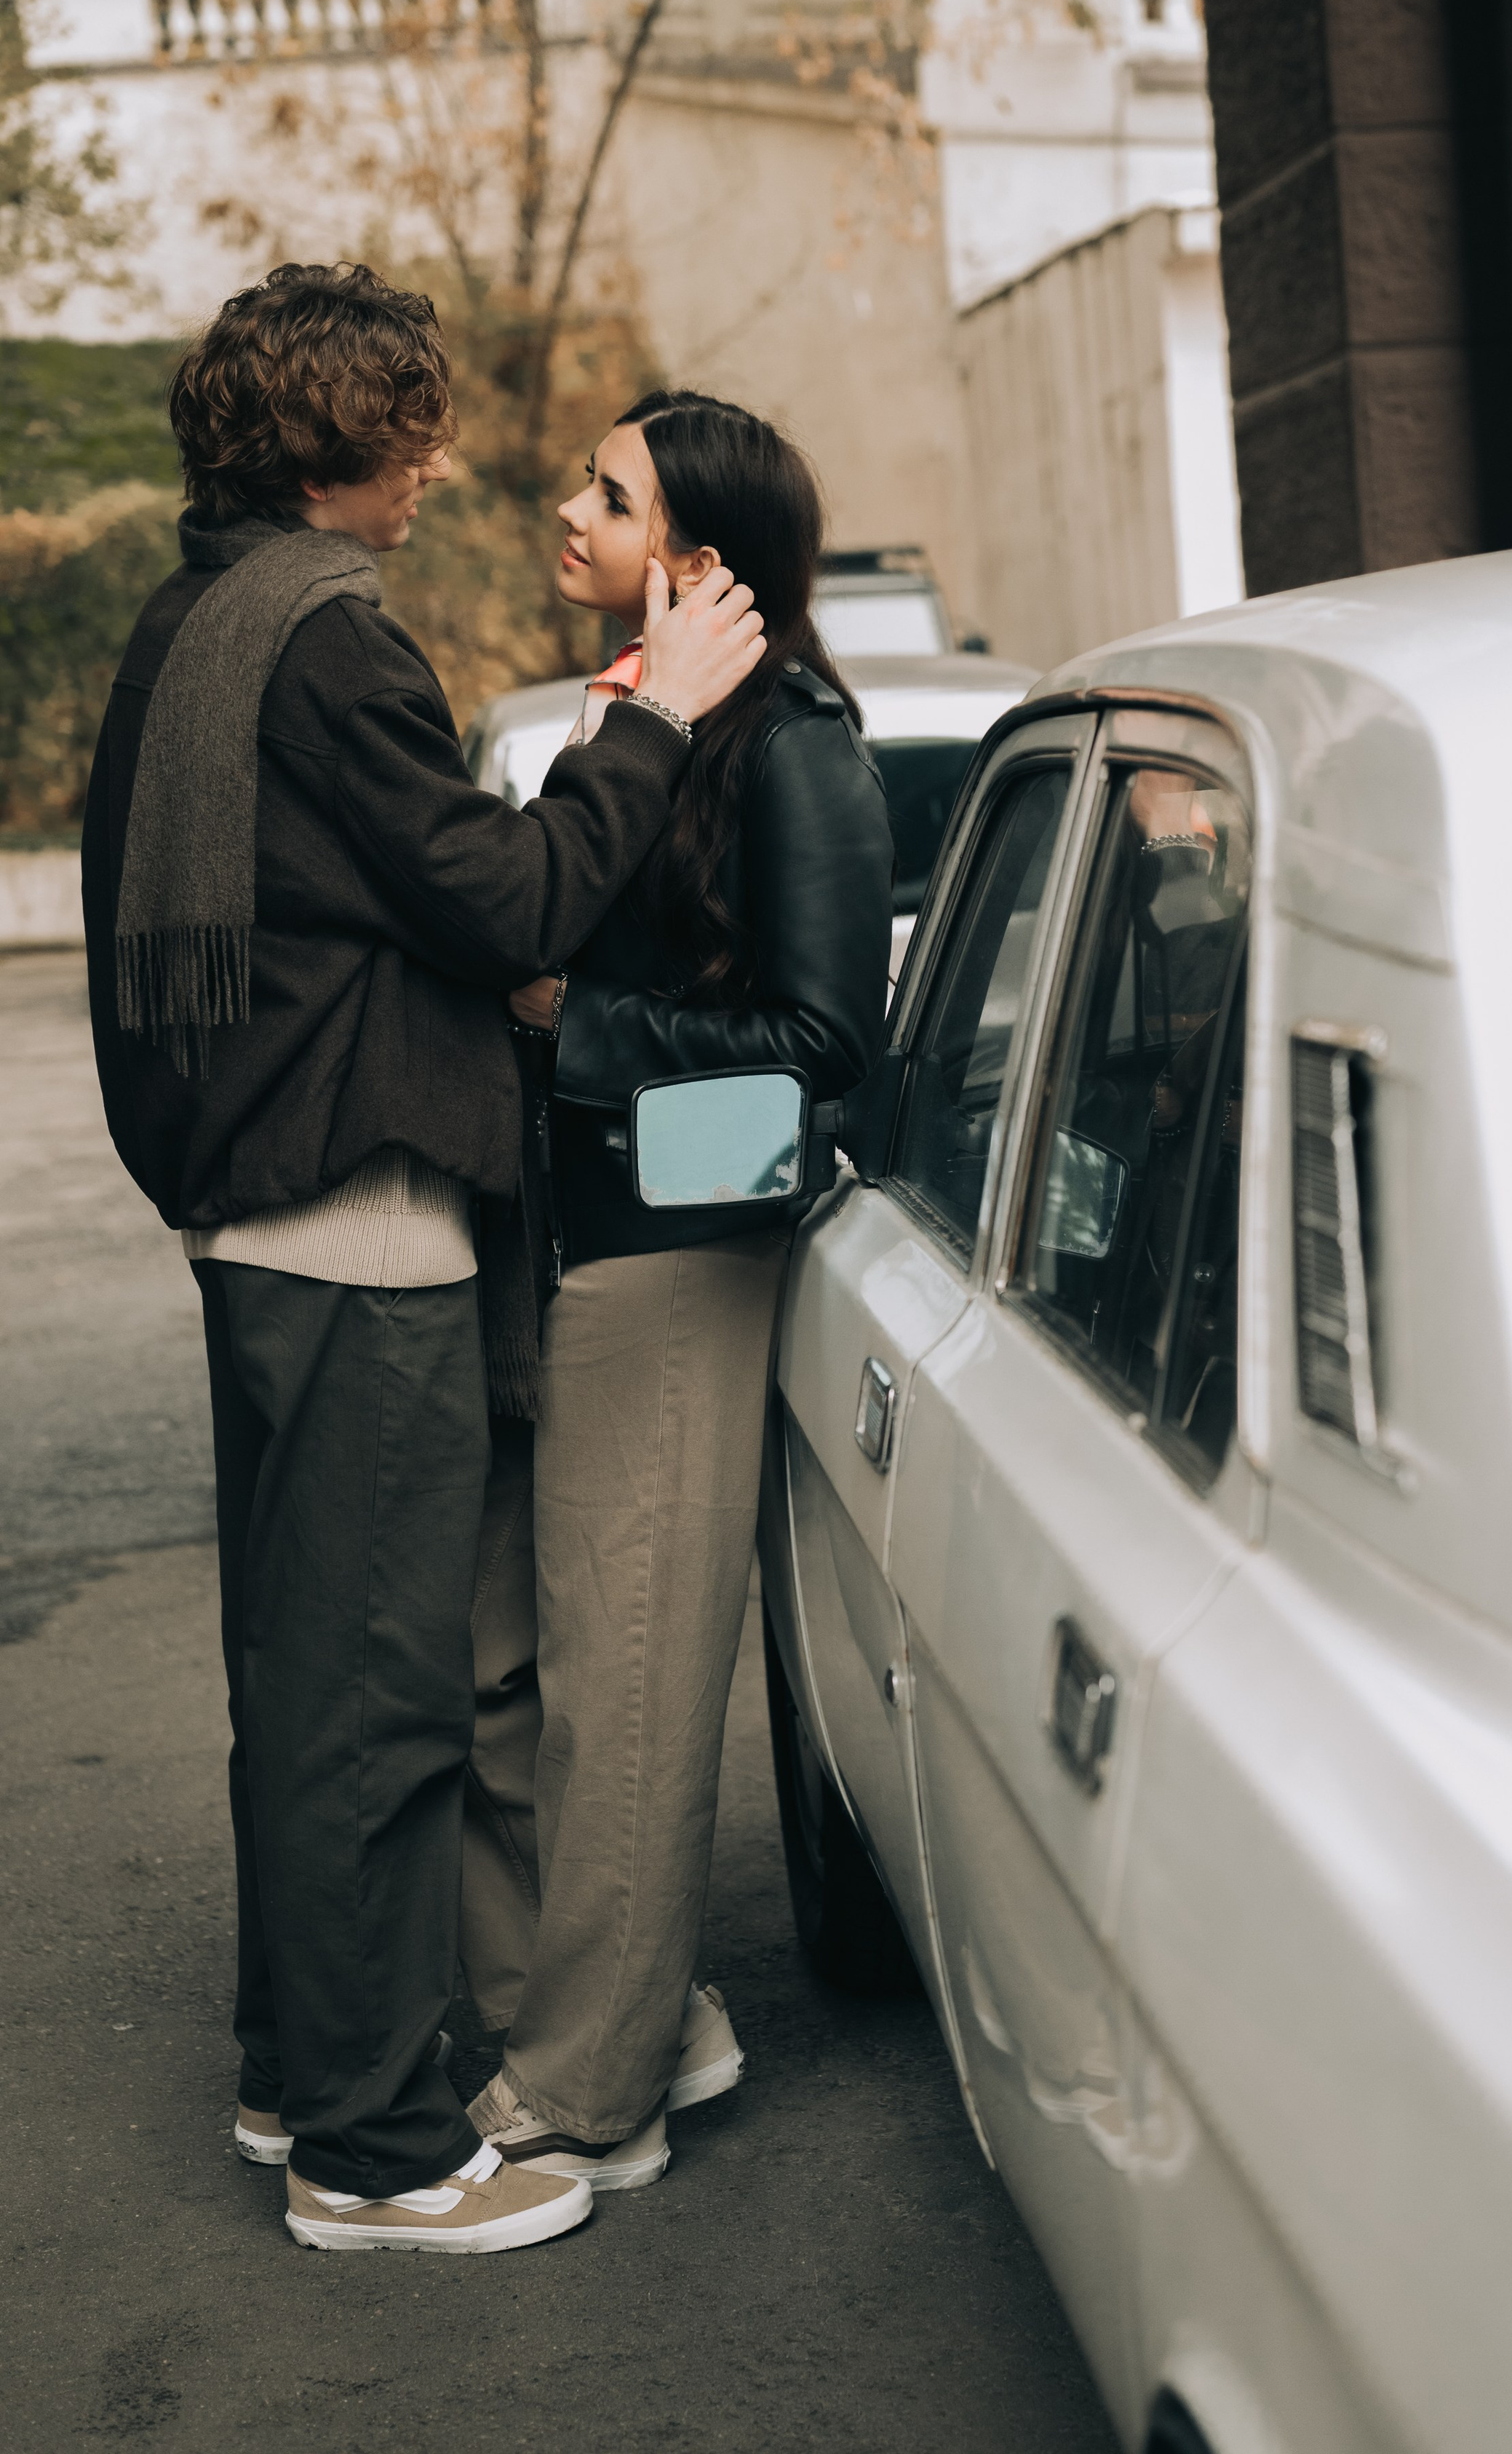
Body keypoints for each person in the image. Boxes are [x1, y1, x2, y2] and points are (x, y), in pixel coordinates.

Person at [81, 274, 766, 2255]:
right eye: (416, 429)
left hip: (256, 1210)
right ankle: (377, 2153)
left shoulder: (199, 617)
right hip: (357, 1219)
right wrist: (652, 722)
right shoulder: (328, 639)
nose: (444, 464)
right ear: (333, 445)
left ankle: (295, 2067)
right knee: (381, 1695)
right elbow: (508, 897)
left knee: (299, 1676)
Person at [458, 391, 894, 2188]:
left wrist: (576, 1026)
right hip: (555, 1253)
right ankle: (643, 2017)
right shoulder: (637, 721)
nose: (571, 510)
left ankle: (589, 2093)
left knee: (625, 1686)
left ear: (696, 560)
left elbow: (824, 1048)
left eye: (610, 495)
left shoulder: (794, 743)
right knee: (515, 1675)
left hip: (676, 1256)